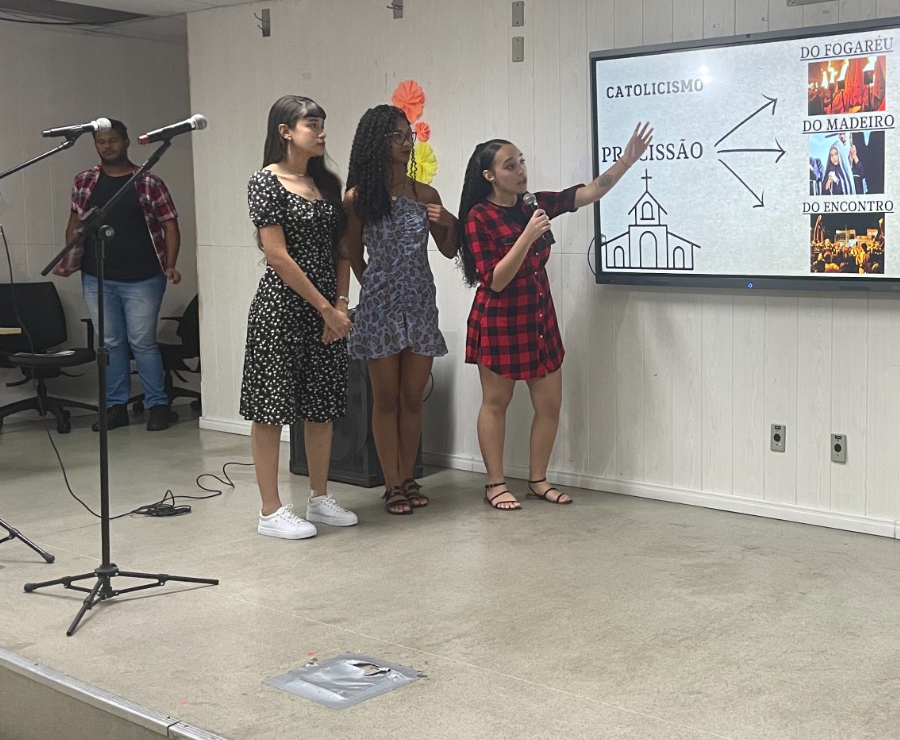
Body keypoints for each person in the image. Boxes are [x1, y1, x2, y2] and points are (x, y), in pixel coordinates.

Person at [458, 122, 653, 510]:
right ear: (489, 175)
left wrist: (626, 161)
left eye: (521, 162)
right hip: (500, 320)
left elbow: (589, 192)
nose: (521, 171)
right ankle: (495, 484)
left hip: (539, 317)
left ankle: (537, 480)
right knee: (496, 403)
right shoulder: (479, 216)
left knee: (549, 405)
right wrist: (526, 237)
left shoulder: (532, 204)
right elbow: (495, 279)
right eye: (510, 166)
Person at [240, 95, 359, 540]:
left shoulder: (326, 184)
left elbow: (343, 251)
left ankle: (319, 497)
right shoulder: (266, 182)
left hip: (328, 313)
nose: (322, 132)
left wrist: (340, 304)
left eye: (323, 124)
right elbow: (277, 255)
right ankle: (270, 510)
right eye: (312, 124)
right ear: (285, 131)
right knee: (270, 409)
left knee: (321, 406)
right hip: (281, 311)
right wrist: (324, 307)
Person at [344, 104, 458, 516]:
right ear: (376, 142)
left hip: (421, 304)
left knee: (412, 397)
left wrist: (449, 221)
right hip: (380, 309)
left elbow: (449, 250)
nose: (406, 142)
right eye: (396, 135)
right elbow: (352, 254)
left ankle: (409, 478)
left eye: (408, 134)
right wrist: (376, 287)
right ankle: (391, 484)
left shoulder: (425, 195)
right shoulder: (358, 199)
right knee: (386, 399)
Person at [55, 121, 182, 432]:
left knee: (143, 342)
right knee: (110, 344)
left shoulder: (148, 181)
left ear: (126, 142)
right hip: (97, 277)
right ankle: (115, 407)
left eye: (113, 140)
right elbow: (74, 221)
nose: (107, 146)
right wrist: (71, 254)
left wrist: (171, 264)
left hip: (144, 277)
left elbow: (169, 224)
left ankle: (158, 405)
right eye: (101, 141)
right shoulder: (85, 180)